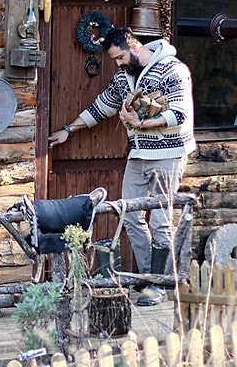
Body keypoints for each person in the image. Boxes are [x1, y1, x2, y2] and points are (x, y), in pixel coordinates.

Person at [48, 26, 195, 306]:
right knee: (129, 214)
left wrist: (142, 123)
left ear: (135, 47)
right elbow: (102, 105)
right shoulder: (124, 77)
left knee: (162, 221)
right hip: (138, 154)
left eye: (119, 58)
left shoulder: (173, 70)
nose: (117, 64)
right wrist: (69, 129)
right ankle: (147, 278)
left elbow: (179, 113)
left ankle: (158, 286)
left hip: (168, 153)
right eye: (114, 60)